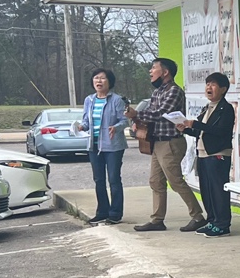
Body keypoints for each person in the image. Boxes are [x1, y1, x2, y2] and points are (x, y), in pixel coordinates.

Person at [125, 57, 206, 234]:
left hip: (170, 142)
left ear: (165, 72)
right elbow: (150, 114)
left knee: (175, 181)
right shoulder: (157, 92)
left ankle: (198, 217)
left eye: (154, 68)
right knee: (155, 181)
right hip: (157, 142)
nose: (150, 71)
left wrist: (137, 114)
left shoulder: (174, 91)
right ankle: (157, 220)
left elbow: (160, 113)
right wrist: (137, 121)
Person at [177, 72, 235, 237]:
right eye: (207, 84)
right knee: (207, 190)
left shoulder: (226, 109)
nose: (209, 87)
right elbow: (201, 133)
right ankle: (212, 221)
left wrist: (196, 124)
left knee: (218, 191)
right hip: (203, 154)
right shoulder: (207, 108)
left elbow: (220, 131)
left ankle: (222, 225)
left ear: (223, 89)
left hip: (218, 154)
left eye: (213, 84)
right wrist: (186, 129)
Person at [80, 67, 128, 225]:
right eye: (96, 78)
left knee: (114, 179)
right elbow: (86, 121)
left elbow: (125, 121)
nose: (98, 81)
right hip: (94, 145)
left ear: (109, 81)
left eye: (102, 78)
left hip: (113, 146)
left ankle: (115, 213)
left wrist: (116, 127)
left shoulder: (117, 100)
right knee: (98, 180)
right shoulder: (89, 100)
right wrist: (80, 127)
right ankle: (102, 212)